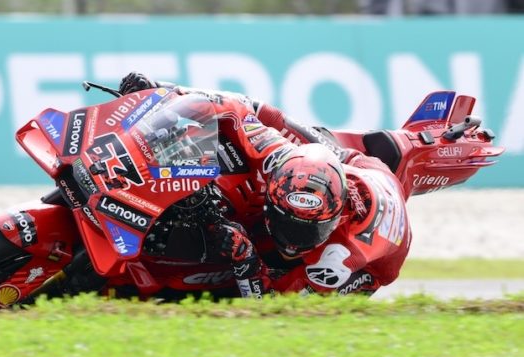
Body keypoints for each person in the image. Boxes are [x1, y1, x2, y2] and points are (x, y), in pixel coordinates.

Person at [118, 72, 412, 298]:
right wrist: (162, 90)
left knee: (234, 289)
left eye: (308, 232)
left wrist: (246, 260)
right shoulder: (278, 155)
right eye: (287, 225)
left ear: (334, 220)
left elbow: (273, 307)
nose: (292, 242)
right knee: (273, 119)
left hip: (373, 265)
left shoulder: (337, 259)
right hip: (352, 165)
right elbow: (234, 107)